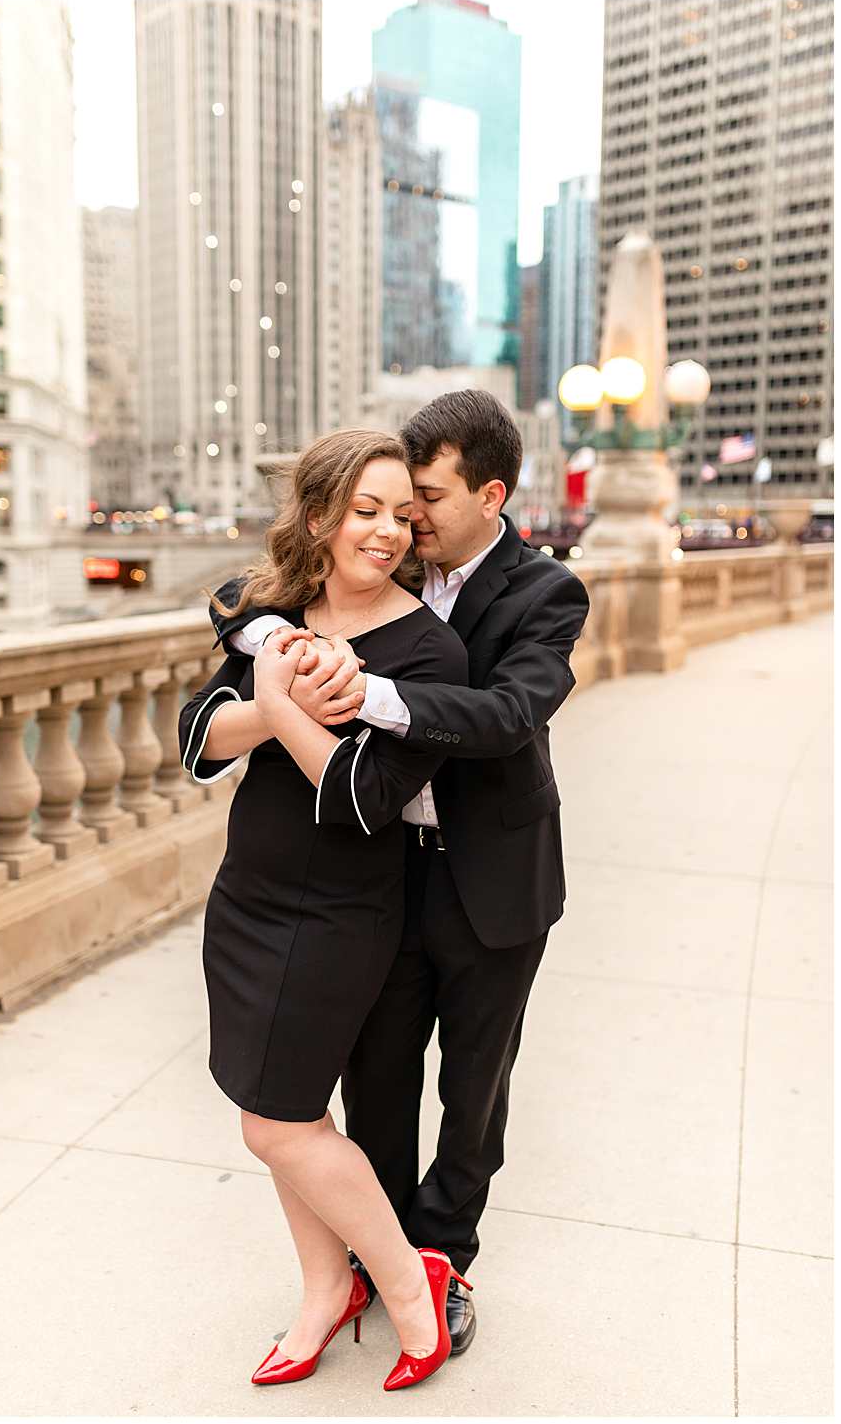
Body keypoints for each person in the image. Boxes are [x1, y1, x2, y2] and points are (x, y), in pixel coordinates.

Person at [210, 388, 590, 1357]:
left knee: (472, 1089)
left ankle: (441, 1259)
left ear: (489, 494)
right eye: (395, 498)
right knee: (375, 1078)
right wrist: (270, 642)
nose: (406, 517)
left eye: (427, 496)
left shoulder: (545, 592)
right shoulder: (392, 559)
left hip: (490, 879)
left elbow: (506, 715)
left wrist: (362, 688)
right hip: (380, 879)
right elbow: (252, 596)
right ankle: (376, 1258)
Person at [180, 428, 470, 1392]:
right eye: (365, 511)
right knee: (282, 1112)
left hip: (339, 912)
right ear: (318, 518)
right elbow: (197, 737)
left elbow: (363, 799)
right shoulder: (275, 617)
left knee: (275, 1125)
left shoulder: (430, 651)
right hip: (246, 898)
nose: (387, 532)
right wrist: (274, 692)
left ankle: (410, 1285)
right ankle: (324, 1289)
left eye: (403, 516)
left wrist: (279, 703)